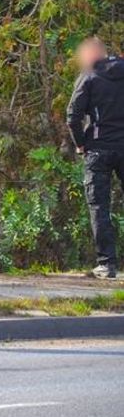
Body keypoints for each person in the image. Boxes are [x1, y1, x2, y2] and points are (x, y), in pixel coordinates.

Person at [66, 37, 124, 279]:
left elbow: (73, 115)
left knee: (99, 206)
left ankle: (107, 264)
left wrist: (80, 144)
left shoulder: (89, 77)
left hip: (98, 149)